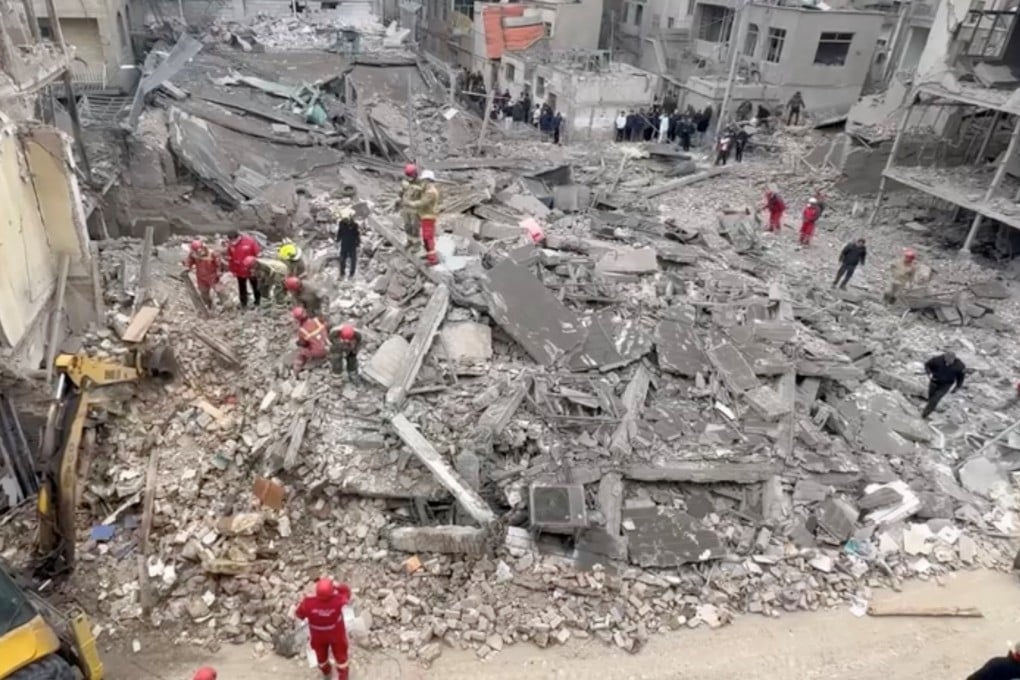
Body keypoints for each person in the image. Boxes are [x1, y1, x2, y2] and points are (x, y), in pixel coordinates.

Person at [295, 577, 352, 680]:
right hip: (336, 634)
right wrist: (337, 585)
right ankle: (343, 677)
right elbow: (347, 593)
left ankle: (327, 672)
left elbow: (299, 614)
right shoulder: (338, 600)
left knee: (321, 658)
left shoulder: (308, 603)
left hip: (318, 636)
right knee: (341, 657)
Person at [405, 169, 440, 266]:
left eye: (424, 181)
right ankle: (429, 254)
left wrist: (410, 203)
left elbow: (422, 203)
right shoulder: (428, 190)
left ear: (428, 180)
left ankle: (433, 259)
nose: (422, 182)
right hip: (426, 216)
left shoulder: (431, 192)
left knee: (428, 238)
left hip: (429, 217)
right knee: (425, 237)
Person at [921, 351, 966, 419]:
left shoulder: (960, 366)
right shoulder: (937, 360)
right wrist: (929, 372)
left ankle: (925, 414)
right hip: (934, 380)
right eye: (946, 360)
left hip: (946, 384)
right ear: (944, 357)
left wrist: (957, 387)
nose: (948, 362)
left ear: (954, 359)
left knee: (936, 399)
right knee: (931, 397)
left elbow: (961, 377)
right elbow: (927, 365)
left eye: (950, 361)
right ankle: (930, 408)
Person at [225, 230, 261, 309]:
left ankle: (258, 302)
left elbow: (257, 255)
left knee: (255, 286)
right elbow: (230, 258)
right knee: (242, 287)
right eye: (231, 241)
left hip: (251, 269)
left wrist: (256, 268)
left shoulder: (250, 242)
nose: (233, 242)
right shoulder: (230, 245)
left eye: (234, 240)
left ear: (238, 237)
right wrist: (232, 270)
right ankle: (243, 304)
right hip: (239, 270)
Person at [183, 239, 222, 308]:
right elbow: (189, 261)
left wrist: (219, 272)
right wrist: (187, 266)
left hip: (212, 276)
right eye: (196, 251)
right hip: (201, 277)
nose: (198, 253)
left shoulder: (211, 253)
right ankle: (208, 306)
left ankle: (226, 305)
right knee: (204, 293)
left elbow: (218, 263)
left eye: (199, 251)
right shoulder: (193, 254)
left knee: (220, 291)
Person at [292, 307, 329, 373]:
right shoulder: (317, 320)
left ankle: (298, 368)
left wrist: (298, 343)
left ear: (297, 319)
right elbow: (326, 326)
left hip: (319, 353)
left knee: (301, 350)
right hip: (328, 346)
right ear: (305, 312)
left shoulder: (302, 331)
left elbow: (304, 344)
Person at [398, 163, 422, 245]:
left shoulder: (420, 182)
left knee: (415, 226)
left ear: (415, 174)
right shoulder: (405, 180)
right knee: (407, 225)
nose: (409, 179)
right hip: (405, 206)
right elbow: (401, 192)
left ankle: (416, 243)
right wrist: (400, 197)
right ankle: (409, 241)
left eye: (411, 177)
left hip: (415, 208)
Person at [335, 207, 360, 280]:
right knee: (342, 259)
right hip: (344, 244)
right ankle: (342, 273)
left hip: (352, 245)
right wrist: (337, 240)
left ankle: (351, 274)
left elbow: (357, 234)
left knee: (353, 260)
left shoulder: (354, 225)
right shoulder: (341, 223)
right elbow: (340, 232)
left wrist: (358, 243)